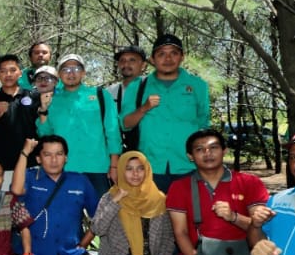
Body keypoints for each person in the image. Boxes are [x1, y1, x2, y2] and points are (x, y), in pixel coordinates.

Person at [165, 129, 269, 255]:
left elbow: (259, 227)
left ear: (224, 150)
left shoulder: (249, 182)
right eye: (200, 149)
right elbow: (180, 233)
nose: (208, 153)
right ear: (190, 156)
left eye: (213, 147)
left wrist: (234, 217)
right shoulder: (179, 187)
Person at [12, 135, 118, 255]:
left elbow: (98, 217)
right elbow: (16, 191)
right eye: (47, 155)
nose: (54, 160)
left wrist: (83, 246)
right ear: (39, 159)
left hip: (69, 253)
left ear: (66, 158)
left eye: (59, 154)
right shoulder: (31, 177)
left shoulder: (80, 181)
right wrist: (25, 152)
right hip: (36, 253)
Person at [123, 34, 210, 191]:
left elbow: (203, 125)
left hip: (188, 166)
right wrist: (143, 108)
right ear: (153, 59)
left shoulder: (198, 85)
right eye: (161, 54)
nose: (168, 58)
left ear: (182, 57)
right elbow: (125, 124)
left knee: (190, 207)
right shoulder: (137, 86)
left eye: (174, 53)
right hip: (149, 167)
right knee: (152, 208)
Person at [36, 54, 121, 195]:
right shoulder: (52, 99)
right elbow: (44, 135)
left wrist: (114, 165)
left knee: (101, 209)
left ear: (83, 72)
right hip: (63, 168)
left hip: (97, 167)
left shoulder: (100, 95)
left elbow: (112, 131)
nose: (71, 73)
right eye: (65, 69)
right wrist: (44, 109)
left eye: (75, 68)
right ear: (59, 74)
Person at [86, 150, 174, 255]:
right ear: (121, 171)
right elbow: (98, 229)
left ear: (147, 170)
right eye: (129, 169)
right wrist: (116, 199)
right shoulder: (110, 198)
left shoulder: (159, 200)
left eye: (140, 168)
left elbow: (168, 239)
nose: (135, 173)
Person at [0, 55, 38, 172]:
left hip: (30, 164)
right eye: (3, 71)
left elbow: (43, 129)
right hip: (1, 166)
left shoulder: (34, 97)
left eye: (12, 70)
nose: (8, 74)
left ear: (20, 73)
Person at [107, 45, 147, 152]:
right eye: (122, 61)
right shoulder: (110, 92)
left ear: (143, 65)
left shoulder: (153, 87)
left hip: (151, 151)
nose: (126, 64)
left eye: (132, 60)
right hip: (120, 151)